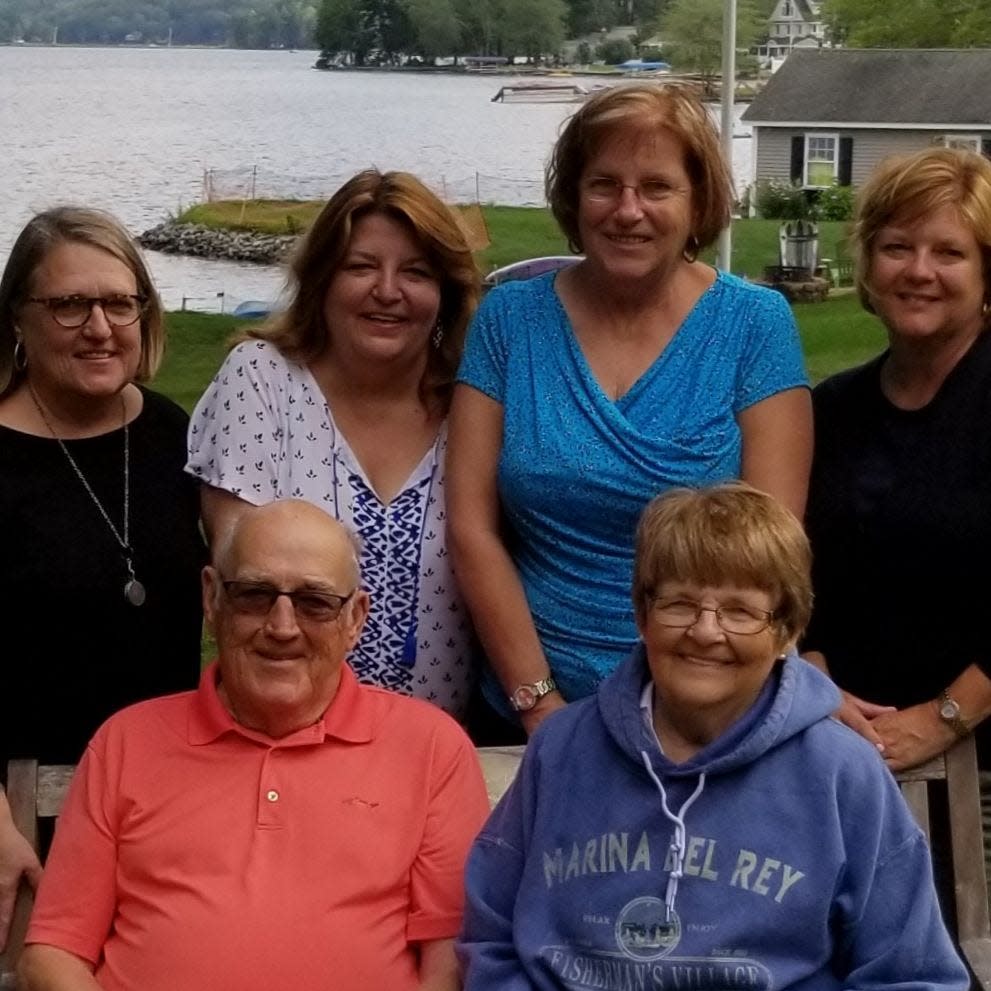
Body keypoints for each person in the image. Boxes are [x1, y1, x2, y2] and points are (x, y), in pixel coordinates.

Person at [458, 483, 969, 991]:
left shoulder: (841, 772)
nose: (705, 631)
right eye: (679, 603)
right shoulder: (562, 749)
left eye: (739, 612)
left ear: (787, 632)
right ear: (642, 615)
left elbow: (913, 975)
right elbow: (490, 935)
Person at [448, 82, 812, 740]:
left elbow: (771, 550)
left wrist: (693, 716)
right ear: (572, 197)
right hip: (524, 709)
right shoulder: (508, 321)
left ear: (698, 201)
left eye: (655, 187)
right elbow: (471, 527)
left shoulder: (755, 325)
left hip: (705, 717)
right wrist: (539, 705)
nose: (627, 209)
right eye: (603, 184)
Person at [19, 499, 490, 991]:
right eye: (254, 594)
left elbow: (449, 958)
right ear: (211, 598)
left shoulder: (428, 747)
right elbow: (54, 952)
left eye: (314, 602)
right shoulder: (126, 742)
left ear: (355, 618)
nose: (282, 627)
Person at [187, 169, 481, 722]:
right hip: (284, 741)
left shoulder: (472, 402)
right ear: (321, 279)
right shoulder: (261, 381)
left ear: (444, 294)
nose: (388, 291)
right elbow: (247, 592)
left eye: (415, 272)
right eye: (361, 266)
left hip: (442, 749)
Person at [0, 207, 204, 950]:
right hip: (28, 812)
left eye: (120, 302)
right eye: (68, 304)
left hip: (171, 802)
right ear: (18, 318)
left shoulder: (171, 433)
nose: (99, 326)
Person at [804, 147, 991, 773]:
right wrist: (813, 678)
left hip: (976, 760)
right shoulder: (832, 409)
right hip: (839, 745)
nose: (919, 271)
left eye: (949, 252)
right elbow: (795, 571)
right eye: (897, 247)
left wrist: (945, 717)